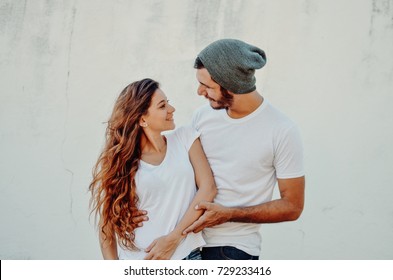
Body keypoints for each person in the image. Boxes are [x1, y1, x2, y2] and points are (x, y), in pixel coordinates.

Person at [181, 39, 306, 260]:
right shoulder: (202, 117)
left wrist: (229, 215)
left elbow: (292, 206)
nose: (200, 91)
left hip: (232, 250)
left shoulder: (281, 130)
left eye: (207, 86)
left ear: (231, 85)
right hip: (186, 245)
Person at [89, 78, 217, 260]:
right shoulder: (122, 163)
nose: (171, 110)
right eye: (162, 106)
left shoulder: (185, 138)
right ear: (142, 119)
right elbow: (106, 228)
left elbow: (208, 188)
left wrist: (173, 239)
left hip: (186, 256)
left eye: (168, 103)